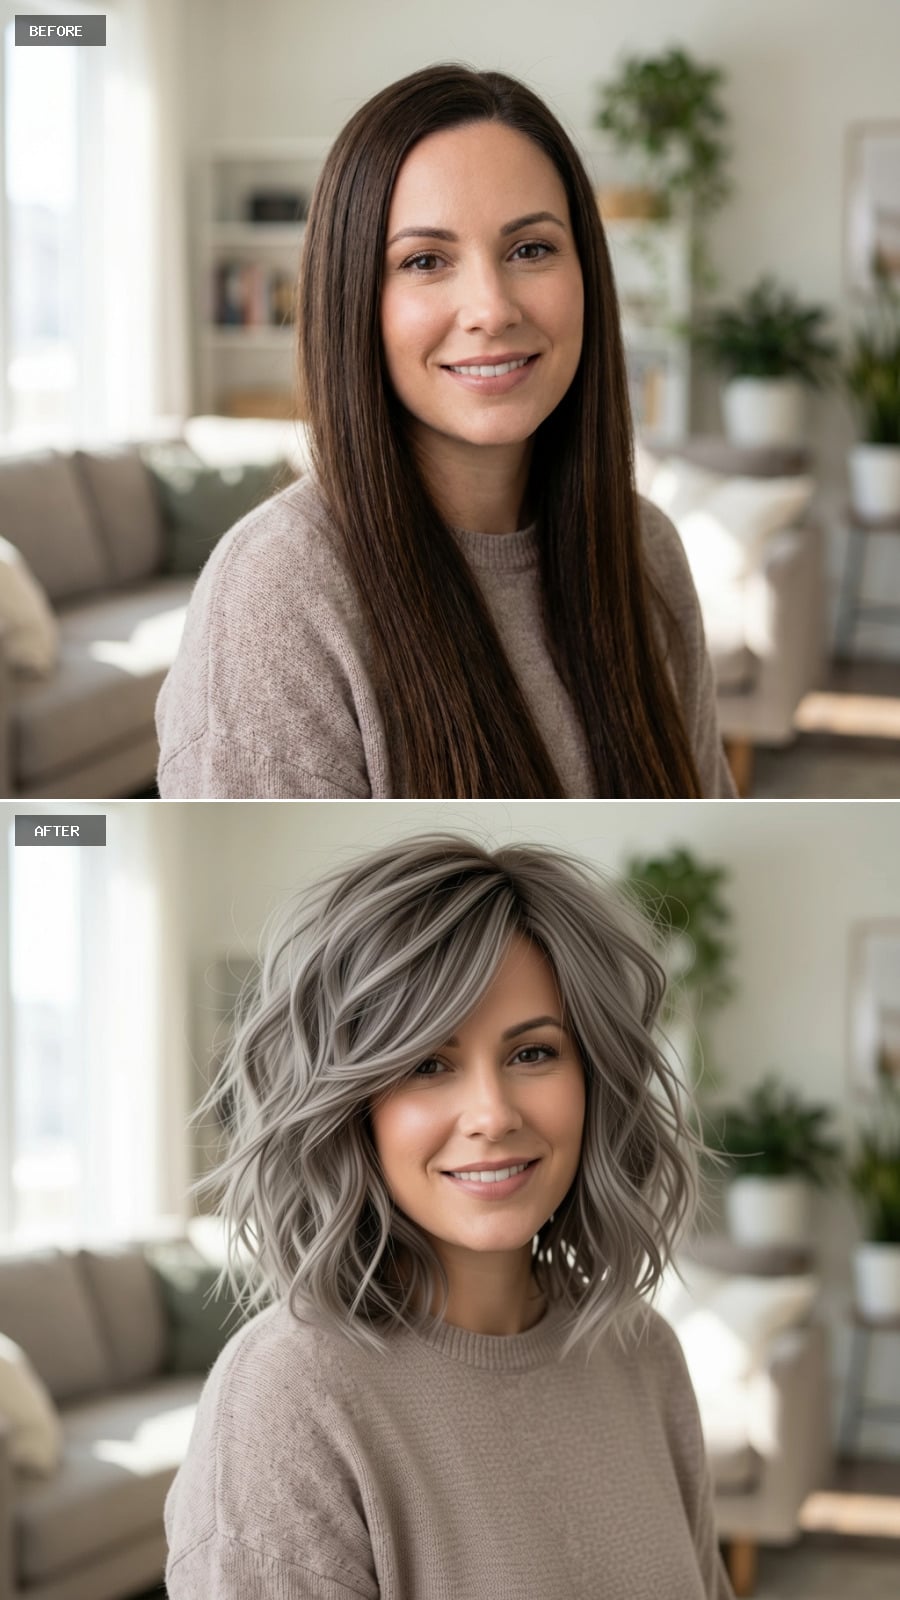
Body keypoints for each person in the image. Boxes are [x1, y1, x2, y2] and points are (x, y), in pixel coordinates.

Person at [164, 834, 734, 1599]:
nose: (492, 1115)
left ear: (594, 1078)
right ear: (348, 1106)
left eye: (533, 1054)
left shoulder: (641, 1352)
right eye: (427, 1064)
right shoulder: (285, 1400)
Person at [155, 64, 735, 799]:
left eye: (531, 250)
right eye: (425, 261)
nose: (491, 308)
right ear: (354, 300)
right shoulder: (278, 594)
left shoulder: (645, 550)